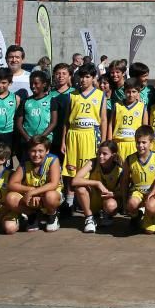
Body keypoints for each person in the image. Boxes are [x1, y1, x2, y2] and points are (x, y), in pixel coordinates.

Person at [60, 65, 108, 213]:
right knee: (70, 171)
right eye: (81, 76)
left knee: (89, 170)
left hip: (91, 135)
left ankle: (90, 201)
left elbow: (104, 120)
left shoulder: (100, 95)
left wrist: (104, 142)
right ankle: (69, 202)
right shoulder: (72, 95)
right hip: (74, 134)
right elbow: (67, 121)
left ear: (93, 78)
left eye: (87, 77)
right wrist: (63, 140)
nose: (83, 79)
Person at [2, 135, 63, 234]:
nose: (36, 154)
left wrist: (34, 192)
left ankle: (52, 215)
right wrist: (31, 190)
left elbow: (53, 184)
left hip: (49, 195)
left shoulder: (53, 160)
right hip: (32, 198)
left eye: (40, 151)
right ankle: (32, 215)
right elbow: (12, 184)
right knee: (10, 198)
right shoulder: (25, 162)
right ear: (28, 151)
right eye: (33, 151)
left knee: (50, 196)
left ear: (47, 151)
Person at [71, 141, 124, 233]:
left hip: (108, 199)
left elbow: (124, 192)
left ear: (113, 155)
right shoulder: (93, 162)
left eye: (104, 154)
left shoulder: (120, 169)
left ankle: (107, 214)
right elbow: (75, 181)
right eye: (99, 153)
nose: (100, 156)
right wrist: (97, 183)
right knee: (80, 189)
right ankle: (89, 218)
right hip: (94, 197)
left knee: (111, 205)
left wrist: (113, 194)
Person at [124, 126, 155, 233]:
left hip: (153, 194)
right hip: (138, 192)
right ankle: (136, 216)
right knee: (132, 203)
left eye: (144, 142)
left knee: (150, 231)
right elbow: (125, 180)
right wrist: (124, 198)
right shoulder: (130, 159)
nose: (140, 146)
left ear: (151, 143)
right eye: (138, 142)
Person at [14, 71, 56, 165]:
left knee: (45, 166)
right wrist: (27, 138)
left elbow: (53, 122)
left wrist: (42, 138)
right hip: (28, 142)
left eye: (36, 83)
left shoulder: (51, 100)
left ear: (44, 84)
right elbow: (19, 123)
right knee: (27, 167)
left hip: (45, 141)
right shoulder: (25, 102)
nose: (33, 86)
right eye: (31, 83)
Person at [111, 78, 147, 161]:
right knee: (118, 171)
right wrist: (110, 143)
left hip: (134, 144)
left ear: (138, 92)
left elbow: (144, 129)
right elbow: (111, 125)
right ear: (124, 92)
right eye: (128, 92)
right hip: (118, 143)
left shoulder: (142, 107)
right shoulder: (117, 106)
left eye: (134, 92)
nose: (131, 95)